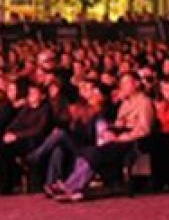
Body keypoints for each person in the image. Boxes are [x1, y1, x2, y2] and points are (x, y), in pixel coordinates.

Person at [49, 72, 154, 202]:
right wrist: (111, 130)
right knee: (88, 151)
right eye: (121, 83)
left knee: (93, 153)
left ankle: (72, 188)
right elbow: (119, 123)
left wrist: (119, 137)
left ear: (137, 84)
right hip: (117, 138)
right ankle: (72, 186)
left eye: (126, 83)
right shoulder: (125, 104)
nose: (123, 86)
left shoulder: (144, 102)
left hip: (131, 142)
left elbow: (144, 129)